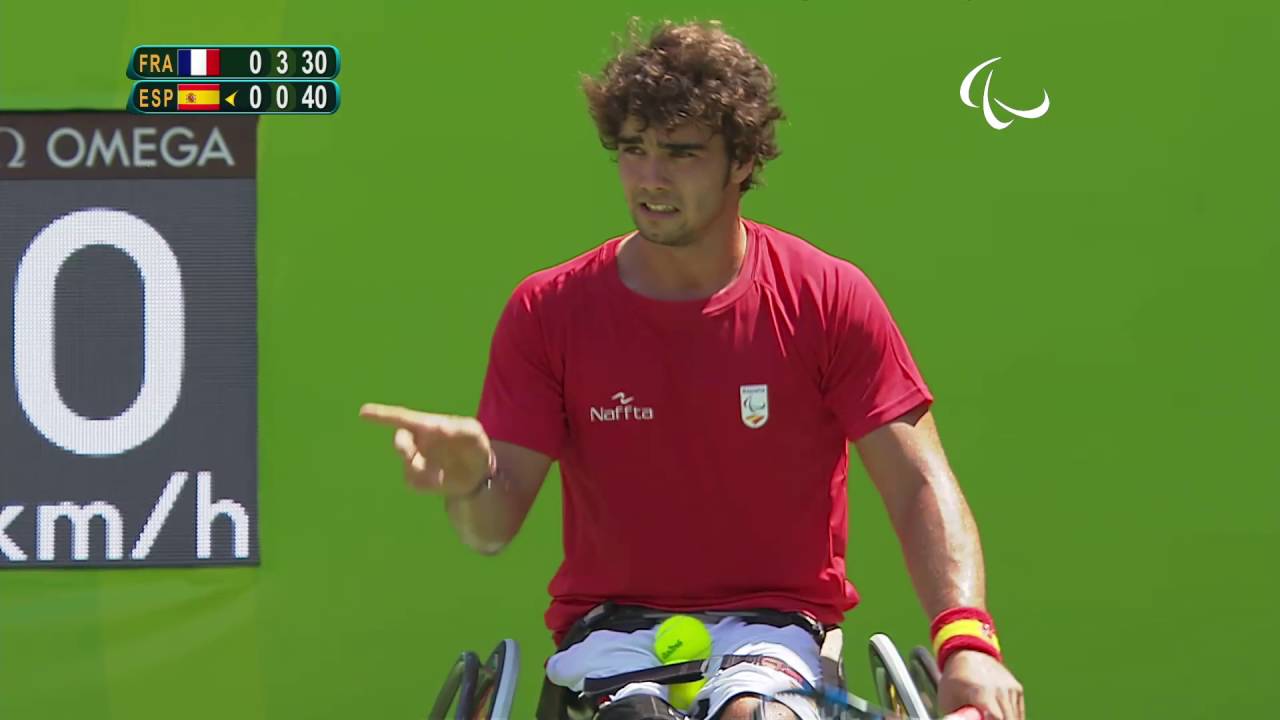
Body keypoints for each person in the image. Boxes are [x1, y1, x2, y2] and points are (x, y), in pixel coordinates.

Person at [361, 18, 1025, 720]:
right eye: (632, 150)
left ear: (741, 161)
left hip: (781, 631)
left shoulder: (828, 297)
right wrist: (470, 482)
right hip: (612, 635)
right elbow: (490, 528)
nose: (649, 178)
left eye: (680, 153)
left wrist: (968, 644)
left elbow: (919, 482)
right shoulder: (547, 309)